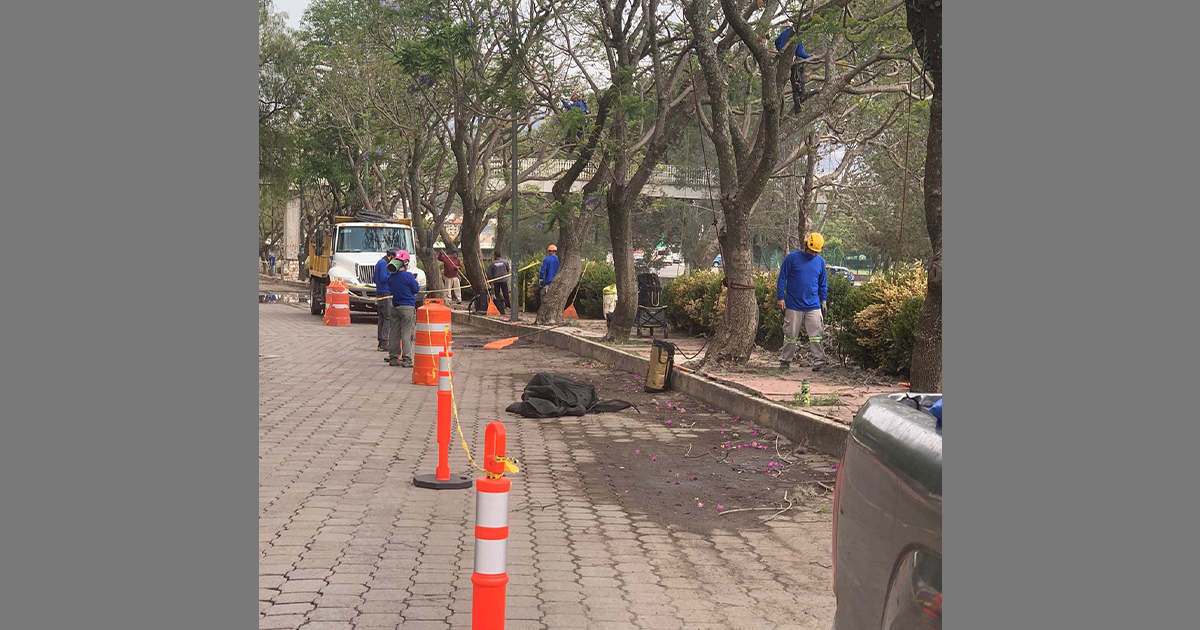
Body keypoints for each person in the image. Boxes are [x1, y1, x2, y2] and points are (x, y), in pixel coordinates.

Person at [777, 232, 829, 371]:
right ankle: (785, 361)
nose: (813, 254)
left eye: (816, 252)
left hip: (813, 304)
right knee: (790, 335)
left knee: (816, 335)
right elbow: (782, 278)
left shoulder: (820, 262)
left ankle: (819, 362)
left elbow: (823, 283)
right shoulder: (792, 258)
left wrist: (823, 300)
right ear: (806, 246)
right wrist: (780, 298)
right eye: (812, 251)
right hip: (794, 304)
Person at [385, 251, 421, 368]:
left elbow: (390, 288)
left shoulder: (391, 277)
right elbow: (415, 290)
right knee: (406, 333)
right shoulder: (409, 276)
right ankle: (407, 359)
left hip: (395, 307)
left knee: (394, 332)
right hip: (407, 307)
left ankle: (393, 357)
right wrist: (415, 282)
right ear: (405, 263)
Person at [773, 27, 816, 115]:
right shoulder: (797, 35)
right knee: (798, 86)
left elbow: (776, 42)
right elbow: (800, 53)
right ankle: (799, 107)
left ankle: (799, 103)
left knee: (796, 83)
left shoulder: (785, 32)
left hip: (785, 62)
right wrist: (811, 57)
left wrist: (781, 51)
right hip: (793, 64)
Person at [372, 249, 396, 352]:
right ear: (391, 256)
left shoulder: (380, 262)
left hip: (380, 293)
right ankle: (384, 341)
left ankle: (381, 342)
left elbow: (374, 278)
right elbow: (383, 278)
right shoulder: (383, 264)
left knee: (382, 318)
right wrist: (392, 274)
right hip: (385, 294)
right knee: (387, 318)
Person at [487, 250, 512, 316]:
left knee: (497, 294)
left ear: (495, 256)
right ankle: (508, 305)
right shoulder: (505, 262)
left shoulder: (493, 264)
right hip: (504, 280)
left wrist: (490, 280)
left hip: (496, 281)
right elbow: (508, 270)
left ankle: (499, 305)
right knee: (505, 293)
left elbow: (489, 274)